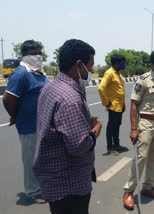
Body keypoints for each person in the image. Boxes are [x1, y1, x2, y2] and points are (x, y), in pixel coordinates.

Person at [33, 39, 102, 214]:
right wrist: (95, 129)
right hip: (69, 184)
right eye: (90, 66)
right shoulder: (69, 99)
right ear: (79, 65)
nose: (92, 71)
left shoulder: (50, 88)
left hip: (54, 178)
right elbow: (78, 147)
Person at [2, 40, 49, 204]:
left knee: (42, 158)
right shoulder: (21, 73)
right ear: (24, 55)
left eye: (39, 52)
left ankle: (42, 186)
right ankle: (33, 191)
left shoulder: (38, 72)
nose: (38, 56)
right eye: (33, 53)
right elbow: (8, 99)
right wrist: (14, 115)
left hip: (42, 124)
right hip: (29, 125)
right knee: (31, 159)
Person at [123, 50, 154, 210]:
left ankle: (148, 186)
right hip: (146, 123)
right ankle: (128, 191)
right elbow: (134, 105)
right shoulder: (143, 80)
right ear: (152, 65)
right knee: (140, 158)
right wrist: (133, 129)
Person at [98, 54, 128, 155]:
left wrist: (123, 104)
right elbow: (101, 88)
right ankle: (110, 147)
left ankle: (116, 145)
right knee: (111, 126)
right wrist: (106, 102)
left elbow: (119, 90)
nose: (123, 65)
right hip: (113, 105)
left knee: (117, 125)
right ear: (116, 63)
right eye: (122, 63)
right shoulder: (109, 73)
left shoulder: (118, 74)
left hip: (119, 105)